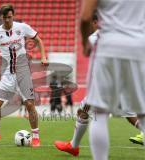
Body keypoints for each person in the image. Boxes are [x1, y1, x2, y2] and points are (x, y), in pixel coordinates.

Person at [54, 11, 145, 157]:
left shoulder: (95, 37)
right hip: (124, 82)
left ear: (95, 22)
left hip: (105, 85)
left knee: (85, 112)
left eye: (91, 23)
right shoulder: (118, 35)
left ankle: (74, 146)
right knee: (130, 114)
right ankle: (73, 145)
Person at [80, 1, 145, 160]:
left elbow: (85, 17)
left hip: (108, 46)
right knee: (143, 111)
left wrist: (84, 43)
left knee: (99, 112)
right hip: (139, 46)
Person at [0, 4, 48, 147]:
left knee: (29, 104)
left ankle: (35, 136)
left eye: (10, 17)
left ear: (13, 16)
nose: (7, 20)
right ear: (1, 17)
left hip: (23, 72)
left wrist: (43, 57)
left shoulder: (22, 27)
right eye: (5, 18)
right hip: (6, 73)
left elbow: (38, 40)